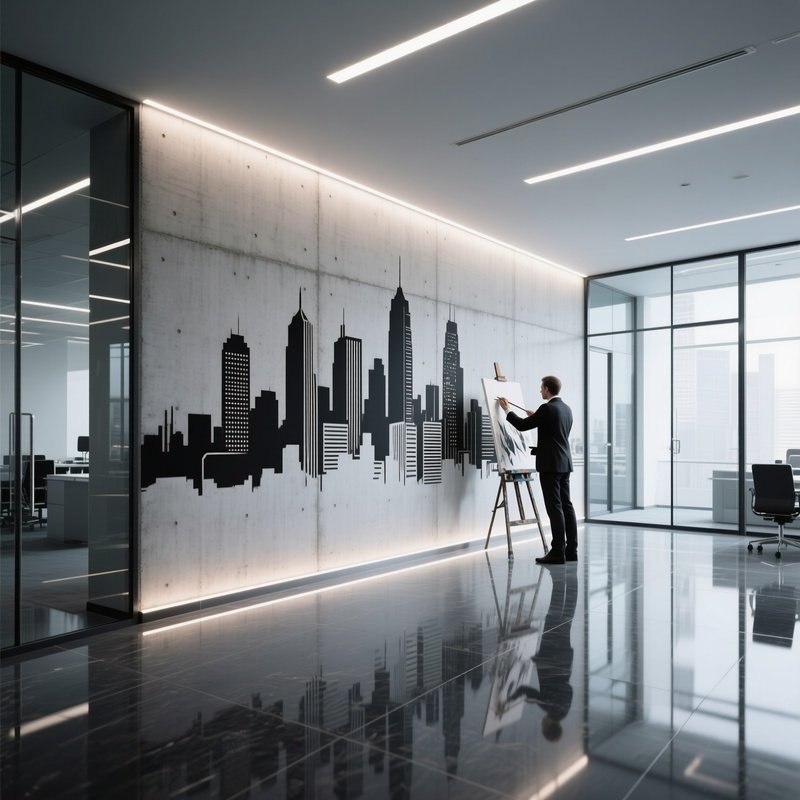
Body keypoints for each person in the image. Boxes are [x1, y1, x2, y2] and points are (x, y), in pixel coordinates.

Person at [498, 376, 577, 564]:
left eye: (541, 388)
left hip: (550, 465)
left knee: (555, 507)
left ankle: (557, 552)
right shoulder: (566, 409)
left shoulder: (547, 408)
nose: (540, 391)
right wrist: (537, 417)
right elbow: (554, 431)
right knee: (567, 506)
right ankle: (571, 550)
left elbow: (522, 426)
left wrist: (506, 409)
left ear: (548, 389)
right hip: (564, 463)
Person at [510, 565, 577, 740]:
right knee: (555, 613)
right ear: (548, 727)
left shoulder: (562, 710)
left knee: (567, 615)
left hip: (563, 658)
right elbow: (526, 691)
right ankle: (558, 576)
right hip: (551, 653)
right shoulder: (551, 708)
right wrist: (510, 700)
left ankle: (570, 575)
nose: (541, 724)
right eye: (543, 727)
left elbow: (568, 689)